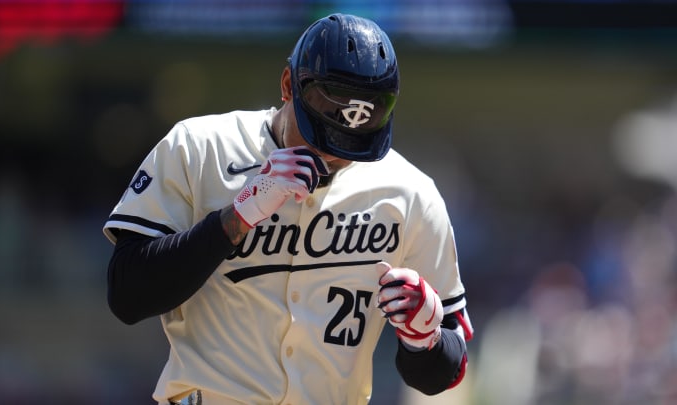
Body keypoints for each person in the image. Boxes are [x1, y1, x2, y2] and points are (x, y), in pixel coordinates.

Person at [103, 13, 474, 405]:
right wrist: (236, 219)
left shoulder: (410, 193)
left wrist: (425, 340)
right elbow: (127, 296)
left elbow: (445, 371)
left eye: (352, 144)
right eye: (323, 134)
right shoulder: (199, 147)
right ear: (287, 86)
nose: (333, 152)